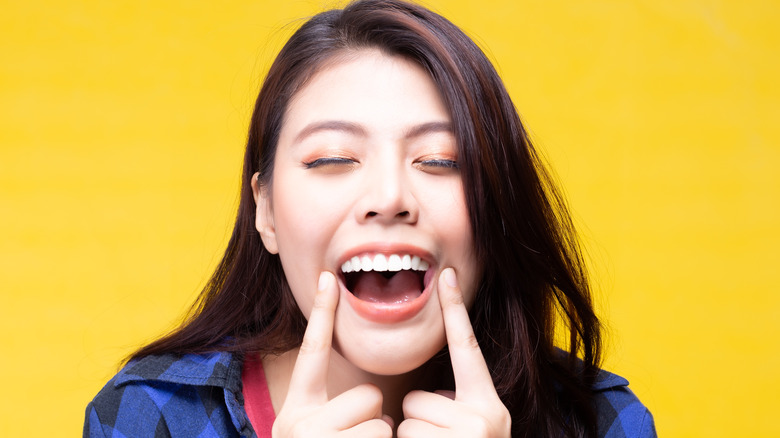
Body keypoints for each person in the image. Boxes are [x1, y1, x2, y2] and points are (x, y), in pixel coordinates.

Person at [84, 1, 656, 437]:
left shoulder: (604, 422)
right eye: (332, 158)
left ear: (495, 208)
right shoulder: (147, 416)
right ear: (266, 212)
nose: (388, 196)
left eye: (441, 161)